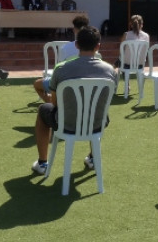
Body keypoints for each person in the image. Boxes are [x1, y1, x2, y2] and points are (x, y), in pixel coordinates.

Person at [31, 25, 117, 174]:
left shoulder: (61, 68)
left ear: (76, 44)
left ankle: (43, 163)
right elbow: (105, 101)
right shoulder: (111, 71)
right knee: (98, 111)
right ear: (98, 46)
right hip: (97, 122)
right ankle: (92, 157)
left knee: (43, 110)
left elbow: (55, 103)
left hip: (66, 123)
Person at [33, 14, 90, 102]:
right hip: (85, 85)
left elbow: (59, 68)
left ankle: (53, 104)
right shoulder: (93, 50)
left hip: (66, 84)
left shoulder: (66, 48)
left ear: (74, 29)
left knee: (37, 84)